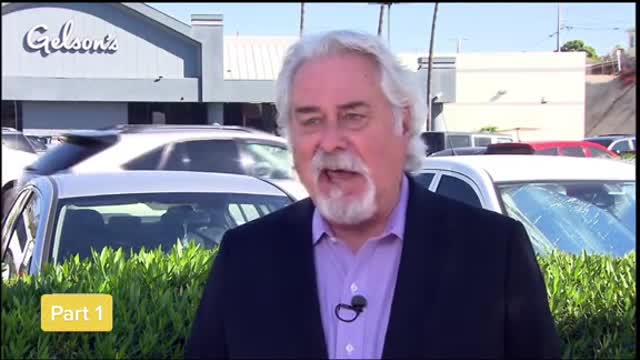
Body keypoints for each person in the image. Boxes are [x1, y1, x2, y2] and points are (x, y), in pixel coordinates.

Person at [185, 30, 561, 359]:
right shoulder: (244, 256)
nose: (330, 142)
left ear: (406, 120)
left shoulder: (493, 252)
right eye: (311, 120)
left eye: (353, 116)